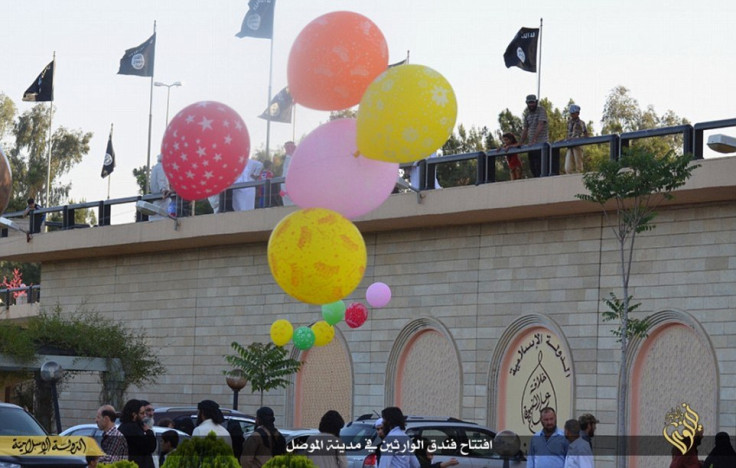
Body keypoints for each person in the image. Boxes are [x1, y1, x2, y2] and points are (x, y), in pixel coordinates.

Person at [117, 398, 157, 468]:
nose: (145, 415)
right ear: (134, 415)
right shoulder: (133, 428)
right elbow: (149, 447)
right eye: (142, 413)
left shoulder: (124, 427)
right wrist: (149, 432)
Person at [519, 94, 549, 177]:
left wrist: (534, 139)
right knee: (533, 167)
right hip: (531, 146)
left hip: (541, 144)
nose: (531, 105)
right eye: (529, 103)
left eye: (533, 102)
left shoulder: (541, 110)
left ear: (536, 102)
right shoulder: (527, 114)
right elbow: (525, 129)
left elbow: (540, 124)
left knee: (541, 167)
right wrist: (520, 142)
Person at [564, 104, 589, 174]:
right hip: (569, 145)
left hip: (578, 145)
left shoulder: (581, 123)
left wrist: (581, 139)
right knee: (567, 167)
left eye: (573, 113)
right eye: (571, 113)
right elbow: (568, 133)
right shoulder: (569, 123)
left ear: (578, 113)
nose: (572, 115)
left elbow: (586, 134)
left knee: (579, 166)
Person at [149, 154, 171, 220]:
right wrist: (164, 190)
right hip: (162, 200)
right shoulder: (161, 168)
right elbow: (161, 181)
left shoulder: (156, 167)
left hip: (157, 200)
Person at [281, 141, 296, 206]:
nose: (288, 149)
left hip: (292, 190)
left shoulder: (294, 159)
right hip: (285, 190)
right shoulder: (287, 159)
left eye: (290, 147)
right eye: (286, 147)